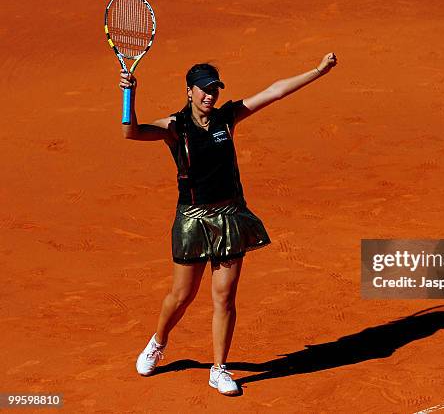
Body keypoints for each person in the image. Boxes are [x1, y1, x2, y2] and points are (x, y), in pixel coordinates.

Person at [118, 52, 338, 395]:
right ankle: (158, 342)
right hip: (192, 220)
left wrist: (318, 71)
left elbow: (274, 92)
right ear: (189, 91)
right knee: (182, 295)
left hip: (230, 217)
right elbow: (131, 132)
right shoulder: (175, 127)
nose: (210, 95)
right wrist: (128, 94)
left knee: (225, 298)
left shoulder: (226, 118)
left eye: (214, 89)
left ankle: (219, 369)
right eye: (204, 90)